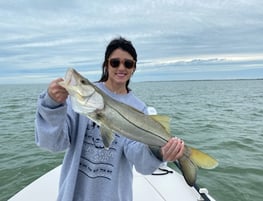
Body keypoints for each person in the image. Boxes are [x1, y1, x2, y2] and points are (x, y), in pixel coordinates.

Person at [35, 37, 184, 201]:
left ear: (134, 68)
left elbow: (138, 158)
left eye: (128, 64)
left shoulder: (139, 108)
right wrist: (52, 105)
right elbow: (52, 144)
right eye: (115, 62)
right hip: (73, 194)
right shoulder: (77, 102)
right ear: (106, 65)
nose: (121, 67)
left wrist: (159, 153)